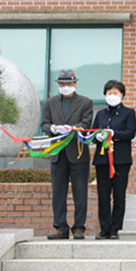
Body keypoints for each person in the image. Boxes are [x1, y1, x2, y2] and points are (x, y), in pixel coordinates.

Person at [40, 69, 93, 240]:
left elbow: (86, 124)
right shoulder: (50, 102)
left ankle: (79, 228)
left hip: (78, 153)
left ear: (75, 84)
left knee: (80, 192)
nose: (65, 87)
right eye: (62, 84)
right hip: (58, 153)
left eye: (69, 84)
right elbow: (44, 124)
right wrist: (53, 128)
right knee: (58, 193)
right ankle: (60, 227)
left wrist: (73, 129)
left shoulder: (85, 102)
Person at [91, 80, 136, 240]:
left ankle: (115, 229)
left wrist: (114, 134)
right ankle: (104, 228)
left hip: (120, 160)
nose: (112, 96)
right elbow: (92, 133)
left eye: (116, 93)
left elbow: (131, 132)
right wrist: (97, 136)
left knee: (119, 195)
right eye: (110, 93)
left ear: (122, 95)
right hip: (102, 159)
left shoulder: (128, 113)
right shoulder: (100, 114)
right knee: (103, 195)